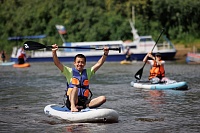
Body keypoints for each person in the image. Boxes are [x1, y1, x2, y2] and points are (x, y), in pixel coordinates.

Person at [52, 44, 109, 112]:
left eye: (82, 62)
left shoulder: (88, 72)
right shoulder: (69, 71)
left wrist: (105, 54)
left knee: (103, 98)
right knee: (75, 88)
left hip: (84, 102)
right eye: (78, 62)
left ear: (85, 64)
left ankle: (82, 106)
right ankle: (73, 107)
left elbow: (99, 63)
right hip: (72, 101)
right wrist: (54, 52)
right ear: (74, 63)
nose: (80, 64)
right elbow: (57, 63)